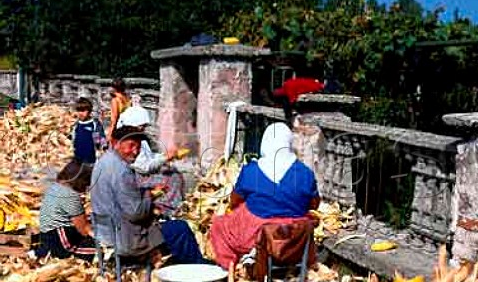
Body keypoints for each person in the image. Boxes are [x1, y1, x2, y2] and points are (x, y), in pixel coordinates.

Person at [210, 122, 320, 269]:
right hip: (295, 236)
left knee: (219, 225)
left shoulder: (251, 170)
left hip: (257, 232)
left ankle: (229, 267)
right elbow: (314, 203)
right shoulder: (305, 172)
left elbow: (235, 200)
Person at [90, 126, 203, 264]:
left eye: (138, 147)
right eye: (131, 146)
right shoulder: (122, 171)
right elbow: (136, 213)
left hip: (104, 231)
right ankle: (196, 267)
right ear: (115, 143)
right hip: (123, 237)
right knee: (180, 228)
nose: (135, 152)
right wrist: (149, 196)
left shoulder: (103, 161)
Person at [116, 105, 184, 217]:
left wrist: (164, 157)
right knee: (173, 178)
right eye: (141, 127)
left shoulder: (140, 139)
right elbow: (143, 167)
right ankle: (165, 208)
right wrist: (165, 158)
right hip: (137, 176)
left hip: (143, 172)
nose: (143, 130)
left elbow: (149, 156)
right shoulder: (128, 141)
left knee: (173, 171)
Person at [35, 160, 96, 262]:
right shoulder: (70, 195)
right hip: (59, 241)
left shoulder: (54, 188)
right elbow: (84, 229)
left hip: (47, 237)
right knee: (100, 249)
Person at [71, 97, 107, 165]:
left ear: (89, 111)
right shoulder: (75, 125)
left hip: (91, 160)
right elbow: (73, 139)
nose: (80, 113)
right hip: (78, 159)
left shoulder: (94, 124)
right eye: (78, 111)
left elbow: (100, 138)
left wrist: (104, 147)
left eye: (83, 110)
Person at [106, 78, 131, 143]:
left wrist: (110, 133)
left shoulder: (115, 100)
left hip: (118, 128)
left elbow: (114, 118)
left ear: (114, 88)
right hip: (127, 127)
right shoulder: (127, 99)